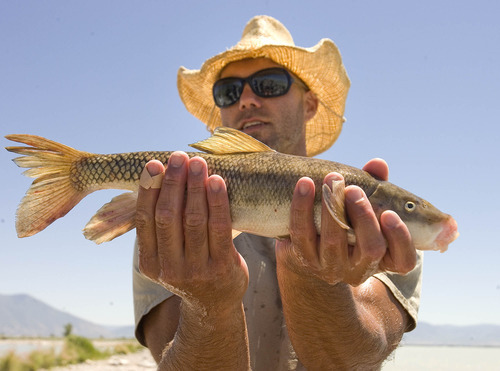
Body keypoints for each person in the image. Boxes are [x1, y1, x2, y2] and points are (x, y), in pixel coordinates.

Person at [133, 15, 423, 370]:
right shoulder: (171, 213)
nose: (247, 100)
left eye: (269, 84)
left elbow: (350, 360)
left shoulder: (376, 220)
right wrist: (208, 305)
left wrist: (311, 271)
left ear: (310, 103)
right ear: (221, 110)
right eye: (229, 91)